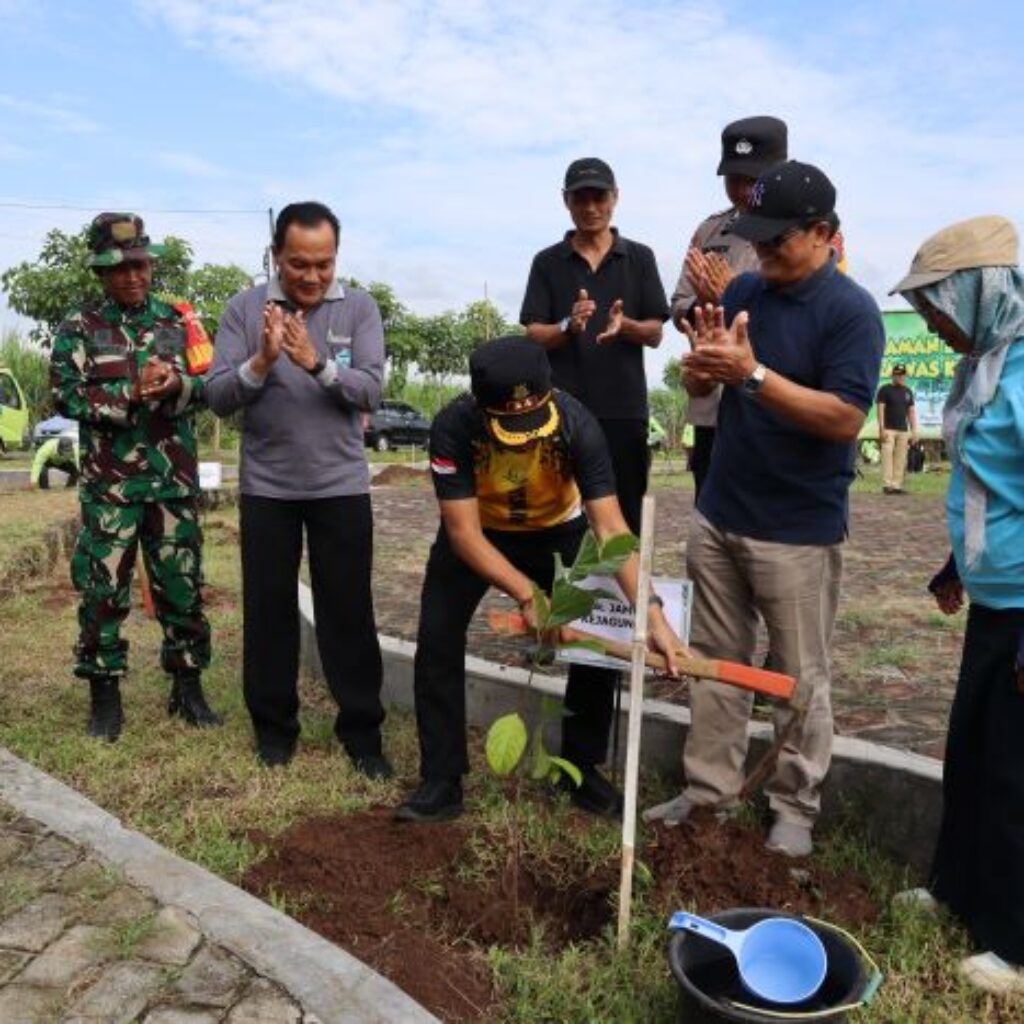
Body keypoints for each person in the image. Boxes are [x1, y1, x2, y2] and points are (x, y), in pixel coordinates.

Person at [644, 161, 885, 857]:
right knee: (714, 664)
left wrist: (750, 373)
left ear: (823, 234)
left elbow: (843, 417)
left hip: (798, 531)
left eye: (780, 239)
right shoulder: (749, 289)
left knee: (798, 674)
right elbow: (713, 373)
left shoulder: (852, 314)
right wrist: (704, 370)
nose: (765, 252)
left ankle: (794, 807)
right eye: (760, 237)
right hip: (722, 512)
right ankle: (707, 792)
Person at [395, 336, 684, 823]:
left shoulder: (578, 423)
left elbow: (611, 529)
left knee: (597, 640)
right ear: (483, 407)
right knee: (437, 637)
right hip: (482, 534)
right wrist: (528, 593)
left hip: (559, 532)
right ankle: (441, 780)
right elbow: (462, 534)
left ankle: (581, 770)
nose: (526, 433)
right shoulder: (453, 426)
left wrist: (651, 613)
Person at [206, 201, 389, 777]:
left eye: (324, 264)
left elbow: (370, 391)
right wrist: (260, 361)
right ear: (276, 256)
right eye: (298, 264)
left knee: (348, 610)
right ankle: (274, 729)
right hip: (268, 490)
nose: (311, 277)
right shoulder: (244, 308)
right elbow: (217, 395)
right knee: (269, 610)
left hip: (340, 487)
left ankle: (362, 733)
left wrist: (317, 365)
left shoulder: (360, 308)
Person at [891, 215, 1024, 994]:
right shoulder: (988, 364)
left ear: (983, 292)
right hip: (995, 599)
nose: (934, 324)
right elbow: (990, 485)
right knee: (970, 754)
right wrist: (958, 563)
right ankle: (956, 892)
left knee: (1015, 774)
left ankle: (1012, 945)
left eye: (941, 305)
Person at [51, 213, 221, 742]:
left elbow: (214, 385)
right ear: (100, 272)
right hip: (111, 489)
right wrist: (129, 397)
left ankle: (187, 688)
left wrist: (176, 386)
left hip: (172, 484)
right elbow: (67, 396)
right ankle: (105, 698)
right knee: (103, 592)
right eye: (119, 268)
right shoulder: (78, 328)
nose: (132, 276)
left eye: (140, 265)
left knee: (182, 586)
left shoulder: (180, 322)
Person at [520, 157, 669, 533]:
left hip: (624, 411)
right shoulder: (548, 262)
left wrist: (626, 325)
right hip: (561, 414)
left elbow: (655, 333)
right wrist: (568, 326)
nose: (590, 208)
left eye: (599, 197)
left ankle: (622, 593)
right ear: (565, 201)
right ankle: (563, 592)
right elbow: (533, 334)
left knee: (625, 517)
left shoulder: (639, 258)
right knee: (561, 516)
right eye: (580, 199)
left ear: (615, 197)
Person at [670, 116, 788, 497]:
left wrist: (730, 295)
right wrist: (707, 303)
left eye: (753, 179)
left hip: (775, 398)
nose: (741, 189)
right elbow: (678, 305)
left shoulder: (809, 231)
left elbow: (803, 310)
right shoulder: (709, 231)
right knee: (710, 508)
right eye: (733, 177)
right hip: (714, 405)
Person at [876, 363, 918, 494]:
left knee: (901, 458)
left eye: (902, 375)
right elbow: (880, 410)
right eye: (897, 374)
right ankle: (887, 485)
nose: (899, 377)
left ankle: (897, 485)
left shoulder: (908, 392)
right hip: (888, 429)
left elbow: (911, 412)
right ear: (892, 375)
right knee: (887, 456)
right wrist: (881, 428)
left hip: (903, 429)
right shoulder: (884, 389)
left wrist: (914, 430)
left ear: (905, 376)